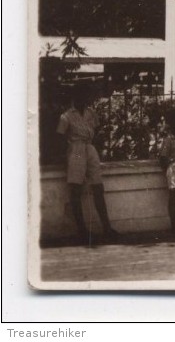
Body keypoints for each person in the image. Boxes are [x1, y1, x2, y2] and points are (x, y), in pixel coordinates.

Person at [57, 82, 118, 244]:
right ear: (74, 97)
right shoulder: (66, 116)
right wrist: (67, 157)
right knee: (75, 189)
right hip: (75, 150)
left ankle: (107, 227)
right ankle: (82, 230)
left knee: (98, 186)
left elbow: (97, 133)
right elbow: (60, 138)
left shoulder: (91, 113)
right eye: (80, 95)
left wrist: (96, 150)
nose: (83, 99)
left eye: (85, 95)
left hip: (90, 148)